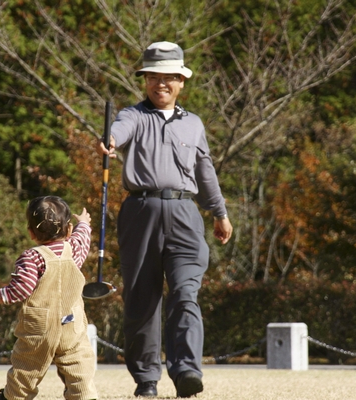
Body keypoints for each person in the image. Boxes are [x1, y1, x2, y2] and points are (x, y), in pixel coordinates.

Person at [96, 41, 233, 398]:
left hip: (187, 216)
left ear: (182, 81)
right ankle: (147, 379)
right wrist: (110, 140)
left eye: (169, 77)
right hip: (140, 213)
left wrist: (219, 212)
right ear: (145, 80)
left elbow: (205, 174)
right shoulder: (133, 116)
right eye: (154, 77)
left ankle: (187, 370)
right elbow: (119, 131)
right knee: (142, 299)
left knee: (187, 292)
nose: (161, 84)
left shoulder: (194, 124)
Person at [0, 195, 98, 400]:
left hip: (39, 328)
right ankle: (83, 396)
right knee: (79, 365)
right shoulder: (74, 250)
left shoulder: (31, 257)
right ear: (69, 230)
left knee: (27, 367)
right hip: (72, 326)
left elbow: (21, 288)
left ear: (31, 232)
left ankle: (13, 397)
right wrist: (84, 223)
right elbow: (83, 237)